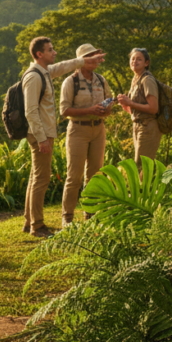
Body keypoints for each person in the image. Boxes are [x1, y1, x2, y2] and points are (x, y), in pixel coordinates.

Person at [22, 37, 105, 237]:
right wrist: (42, 138)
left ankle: (28, 222)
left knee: (36, 177)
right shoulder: (34, 76)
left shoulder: (45, 72)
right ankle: (37, 226)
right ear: (39, 54)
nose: (55, 52)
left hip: (46, 133)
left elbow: (63, 65)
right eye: (51, 50)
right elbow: (31, 111)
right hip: (41, 134)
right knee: (41, 179)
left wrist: (82, 62)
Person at [59, 43, 114, 227]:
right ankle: (67, 217)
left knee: (94, 175)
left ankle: (90, 213)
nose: (94, 59)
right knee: (74, 176)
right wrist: (89, 109)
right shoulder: (71, 82)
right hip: (78, 130)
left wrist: (106, 109)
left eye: (95, 55)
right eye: (89, 56)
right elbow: (64, 110)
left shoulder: (100, 80)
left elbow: (109, 102)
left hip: (98, 129)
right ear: (81, 60)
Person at [117, 48, 160, 164]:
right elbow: (134, 111)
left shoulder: (147, 80)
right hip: (137, 125)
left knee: (141, 165)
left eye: (139, 59)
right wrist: (124, 104)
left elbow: (153, 108)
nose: (134, 61)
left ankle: (144, 183)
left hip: (148, 127)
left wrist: (130, 102)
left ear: (146, 63)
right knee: (140, 164)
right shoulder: (135, 79)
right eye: (133, 59)